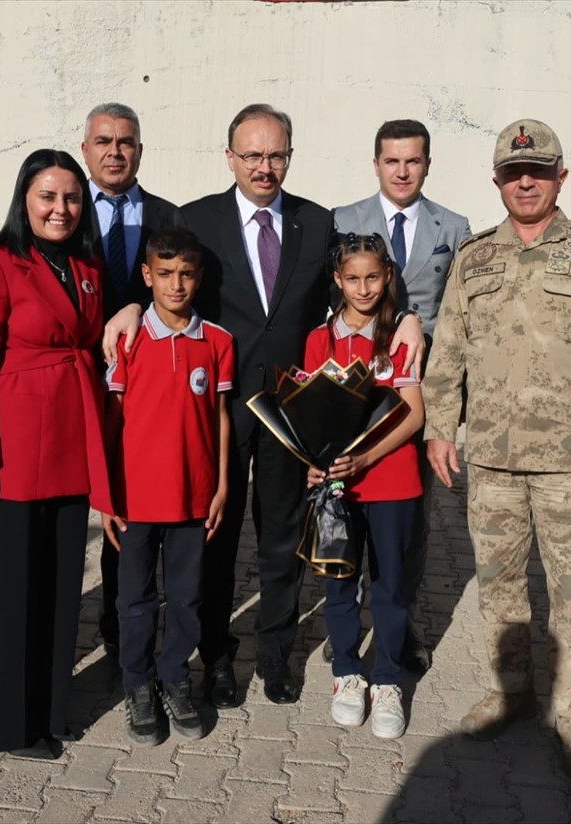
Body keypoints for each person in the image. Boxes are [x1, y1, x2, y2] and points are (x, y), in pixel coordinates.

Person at [104, 104, 423, 709]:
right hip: (215, 409)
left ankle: (274, 655)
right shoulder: (194, 218)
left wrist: (406, 318)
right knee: (216, 544)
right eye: (251, 155)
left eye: (275, 154)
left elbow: (362, 287)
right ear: (230, 158)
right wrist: (123, 308)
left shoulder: (314, 221)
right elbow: (161, 280)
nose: (264, 166)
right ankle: (217, 658)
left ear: (289, 157)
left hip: (290, 416)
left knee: (280, 543)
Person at [424, 119, 571, 781]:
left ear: (560, 178)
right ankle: (511, 691)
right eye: (514, 172)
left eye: (540, 171)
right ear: (497, 180)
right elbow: (450, 353)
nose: (527, 181)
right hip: (491, 457)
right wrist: (441, 426)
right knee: (499, 589)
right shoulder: (475, 258)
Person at [0, 149, 112, 758]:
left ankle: (48, 709)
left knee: (58, 589)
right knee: (6, 597)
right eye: (48, 196)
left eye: (72, 198)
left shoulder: (87, 266)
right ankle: (6, 727)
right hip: (8, 456)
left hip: (67, 448)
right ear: (24, 200)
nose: (60, 209)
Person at [331, 119, 471, 673]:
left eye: (413, 161)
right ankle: (344, 617)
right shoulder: (343, 221)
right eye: (392, 161)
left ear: (427, 164)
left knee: (410, 521)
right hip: (352, 394)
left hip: (417, 397)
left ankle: (400, 621)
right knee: (343, 506)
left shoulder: (453, 226)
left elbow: (460, 318)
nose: (403, 170)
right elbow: (331, 299)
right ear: (376, 164)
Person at [102, 227, 234, 746]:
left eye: (186, 274)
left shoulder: (219, 342)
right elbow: (112, 422)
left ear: (198, 276)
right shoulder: (128, 341)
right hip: (135, 499)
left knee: (186, 598)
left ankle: (175, 675)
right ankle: (137, 683)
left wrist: (222, 484)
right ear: (147, 276)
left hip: (194, 497)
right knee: (134, 599)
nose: (176, 285)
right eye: (165, 274)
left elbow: (221, 417)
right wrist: (106, 496)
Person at [305, 233, 425, 740]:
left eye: (372, 277)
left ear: (388, 276)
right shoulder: (319, 339)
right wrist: (311, 464)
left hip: (393, 480)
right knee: (339, 583)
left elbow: (415, 414)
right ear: (337, 280)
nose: (363, 287)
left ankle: (388, 680)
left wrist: (368, 458)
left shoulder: (400, 333)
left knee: (391, 587)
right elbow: (308, 416)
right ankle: (347, 674)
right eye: (352, 278)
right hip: (339, 488)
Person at [82, 103, 188, 660]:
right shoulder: (63, 214)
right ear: (86, 150)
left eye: (126, 141)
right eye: (103, 141)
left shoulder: (171, 217)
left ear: (140, 150)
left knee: (130, 509)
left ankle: (122, 631)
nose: (114, 151)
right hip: (79, 387)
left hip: (147, 395)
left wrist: (138, 305)